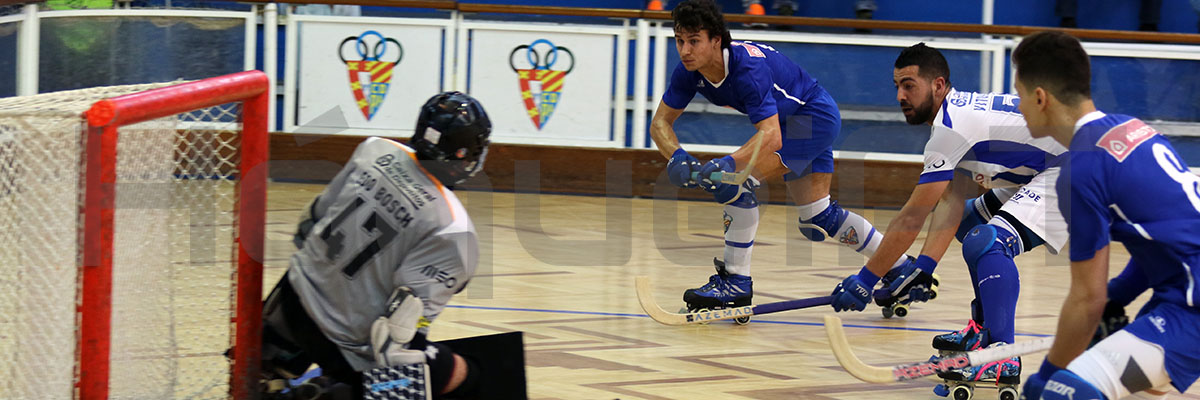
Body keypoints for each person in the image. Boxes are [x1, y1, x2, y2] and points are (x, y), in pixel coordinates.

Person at [827, 42, 1070, 387]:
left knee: (988, 242)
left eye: (909, 85)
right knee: (973, 223)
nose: (900, 95)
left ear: (938, 85)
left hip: (1075, 168)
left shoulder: (949, 129)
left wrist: (866, 280)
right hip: (1048, 167)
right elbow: (951, 204)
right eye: (896, 86)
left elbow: (913, 216)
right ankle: (985, 330)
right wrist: (923, 269)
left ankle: (1001, 354)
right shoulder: (955, 119)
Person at [258, 91, 525, 399]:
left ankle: (276, 365)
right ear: (468, 154)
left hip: (290, 304)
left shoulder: (373, 150)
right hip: (343, 344)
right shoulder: (454, 229)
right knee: (476, 372)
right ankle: (330, 394)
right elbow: (396, 338)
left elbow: (310, 224)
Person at [654, 0, 914, 315]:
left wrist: (728, 164)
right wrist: (677, 156)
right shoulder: (688, 72)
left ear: (716, 41)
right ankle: (900, 268)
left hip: (811, 118)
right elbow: (660, 124)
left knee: (735, 186)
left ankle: (736, 283)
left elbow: (771, 136)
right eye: (680, 41)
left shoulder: (747, 69)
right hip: (797, 119)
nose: (685, 50)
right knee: (820, 215)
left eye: (694, 41)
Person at [1014, 30, 1200, 400]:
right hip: (1182, 294)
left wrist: (1048, 374)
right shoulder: (1131, 128)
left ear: (1040, 98)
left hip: (1191, 311)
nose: (1018, 107)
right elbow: (1166, 236)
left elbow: (1087, 299)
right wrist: (1119, 296)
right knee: (1136, 381)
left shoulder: (1081, 170)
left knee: (1062, 392)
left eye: (1019, 96)